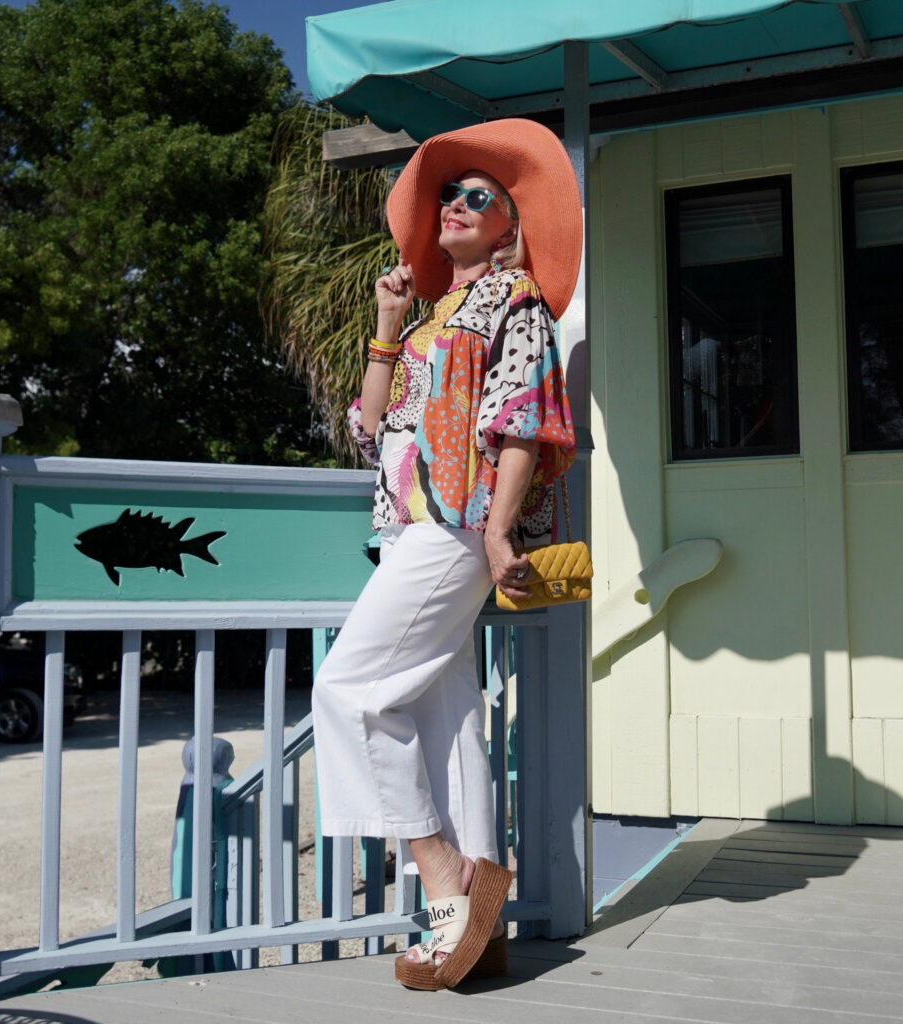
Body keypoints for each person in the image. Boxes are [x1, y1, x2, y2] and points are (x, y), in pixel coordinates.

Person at [311, 118, 582, 990]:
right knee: (445, 715)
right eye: (447, 199)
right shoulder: (432, 319)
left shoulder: (515, 302)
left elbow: (522, 423)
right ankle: (478, 921)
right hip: (410, 527)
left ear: (509, 225)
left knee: (347, 690)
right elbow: (371, 429)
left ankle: (442, 876)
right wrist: (388, 324)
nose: (457, 207)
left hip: (456, 526)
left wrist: (500, 531)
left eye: (480, 198)